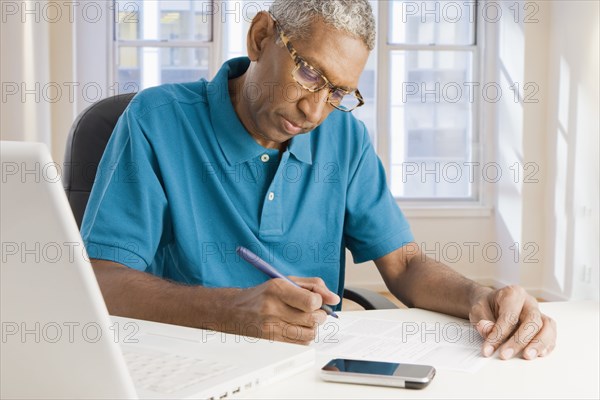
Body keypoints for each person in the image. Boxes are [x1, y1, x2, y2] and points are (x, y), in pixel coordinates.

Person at [81, 0, 556, 360]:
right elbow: (100, 281)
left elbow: (406, 267)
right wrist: (231, 312)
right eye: (309, 72)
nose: (314, 110)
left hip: (308, 366)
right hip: (190, 359)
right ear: (261, 37)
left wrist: (481, 297)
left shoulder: (345, 139)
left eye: (339, 92)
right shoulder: (156, 120)